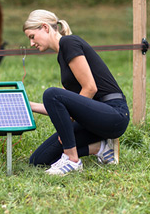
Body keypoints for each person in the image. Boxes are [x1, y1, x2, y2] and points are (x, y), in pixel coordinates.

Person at [23, 9, 130, 176]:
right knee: (39, 159)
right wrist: (27, 106)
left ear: (45, 27)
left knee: (51, 93)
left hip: (113, 114)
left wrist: (68, 125)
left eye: (32, 37)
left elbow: (90, 88)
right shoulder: (62, 56)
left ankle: (73, 161)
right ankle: (101, 148)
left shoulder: (69, 43)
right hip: (93, 120)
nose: (31, 43)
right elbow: (62, 105)